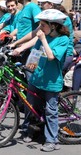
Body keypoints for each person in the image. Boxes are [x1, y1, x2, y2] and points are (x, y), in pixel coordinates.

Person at [20, 9, 69, 152]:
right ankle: (29, 130)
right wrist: (29, 64)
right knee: (31, 106)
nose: (40, 28)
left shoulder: (63, 39)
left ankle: (51, 140)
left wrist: (42, 39)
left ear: (53, 25)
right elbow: (35, 54)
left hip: (51, 81)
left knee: (50, 111)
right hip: (37, 78)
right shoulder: (44, 36)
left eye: (43, 25)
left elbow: (51, 56)